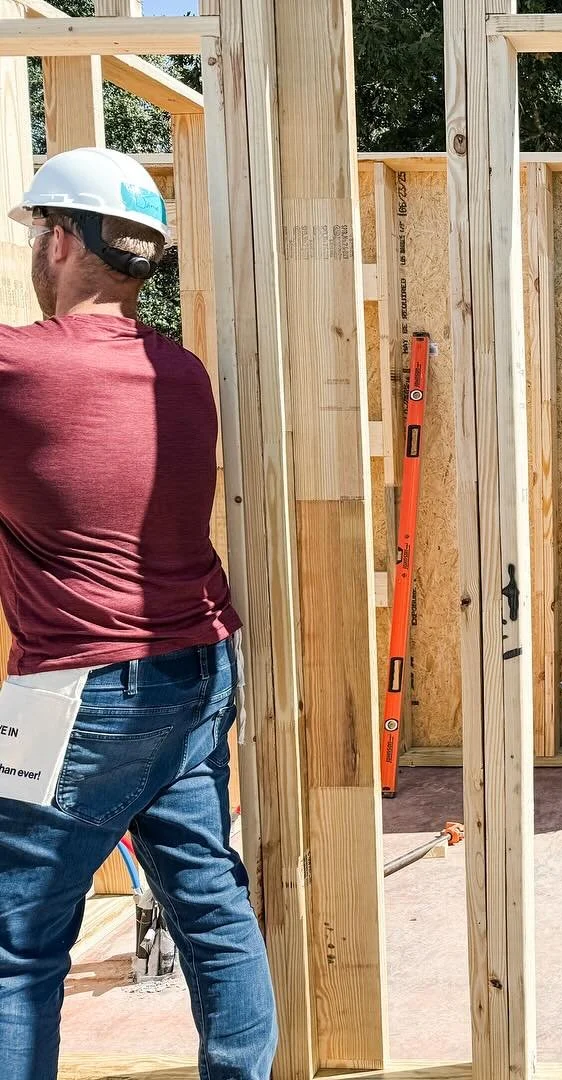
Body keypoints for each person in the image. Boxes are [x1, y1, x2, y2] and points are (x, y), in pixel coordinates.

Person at [0, 148, 276, 1079]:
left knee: (19, 945)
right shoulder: (182, 373)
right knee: (210, 906)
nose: (36, 250)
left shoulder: (18, 372)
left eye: (40, 230)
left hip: (79, 694)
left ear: (63, 239)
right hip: (196, 671)